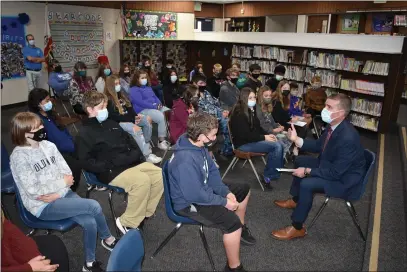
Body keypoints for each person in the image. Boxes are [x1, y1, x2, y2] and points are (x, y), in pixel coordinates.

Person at [9, 112, 117, 272]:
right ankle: (108, 238)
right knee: (94, 206)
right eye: (37, 127)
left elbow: (67, 174)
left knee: (90, 221)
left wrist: (59, 191)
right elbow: (34, 190)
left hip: (61, 195)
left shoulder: (48, 146)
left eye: (41, 125)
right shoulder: (19, 157)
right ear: (24, 133)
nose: (42, 128)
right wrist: (61, 185)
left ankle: (89, 263)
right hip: (42, 205)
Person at [168, 112, 255, 272]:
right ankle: (233, 267)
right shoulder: (185, 160)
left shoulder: (197, 146)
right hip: (190, 203)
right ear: (201, 136)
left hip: (202, 189)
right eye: (213, 135)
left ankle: (240, 230)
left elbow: (213, 174)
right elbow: (194, 195)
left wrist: (226, 192)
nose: (215, 138)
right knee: (232, 223)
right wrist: (223, 202)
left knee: (244, 189)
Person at [271, 93, 366, 240]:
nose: (324, 109)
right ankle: (297, 200)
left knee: (307, 184)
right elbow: (318, 145)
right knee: (301, 161)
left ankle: (297, 227)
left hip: (344, 180)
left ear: (340, 113)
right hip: (332, 166)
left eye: (329, 107)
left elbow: (335, 173)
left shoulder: (348, 137)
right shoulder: (334, 125)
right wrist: (296, 139)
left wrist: (308, 171)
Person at [76, 91, 164, 234]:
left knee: (159, 174)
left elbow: (130, 143)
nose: (105, 110)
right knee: (141, 181)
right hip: (110, 170)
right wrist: (110, 164)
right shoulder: (84, 133)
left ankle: (143, 214)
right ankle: (126, 222)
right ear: (89, 110)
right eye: (100, 107)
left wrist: (137, 156)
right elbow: (85, 162)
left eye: (105, 106)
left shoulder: (111, 123)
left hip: (128, 163)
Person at [28, 88, 82, 191]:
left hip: (68, 146)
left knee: (86, 149)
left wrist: (71, 142)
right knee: (75, 166)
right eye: (47, 101)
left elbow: (64, 130)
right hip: (56, 153)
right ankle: (69, 190)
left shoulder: (50, 114)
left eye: (50, 100)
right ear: (38, 103)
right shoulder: (36, 121)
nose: (50, 102)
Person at [230, 88, 284, 189]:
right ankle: (269, 175)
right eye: (250, 97)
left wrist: (267, 135)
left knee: (278, 143)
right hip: (242, 144)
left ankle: (272, 171)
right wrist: (264, 137)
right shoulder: (239, 113)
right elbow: (245, 135)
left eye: (254, 97)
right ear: (244, 98)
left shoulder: (250, 110)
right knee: (276, 146)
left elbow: (257, 128)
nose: (253, 99)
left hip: (251, 141)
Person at [104, 75, 162, 164]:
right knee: (136, 129)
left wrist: (136, 116)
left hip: (129, 119)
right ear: (111, 86)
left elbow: (130, 108)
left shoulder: (121, 95)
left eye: (119, 83)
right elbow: (115, 117)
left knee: (147, 120)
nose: (118, 85)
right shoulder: (108, 100)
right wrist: (132, 120)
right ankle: (146, 155)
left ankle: (145, 145)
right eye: (116, 84)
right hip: (119, 123)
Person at [1, 210, 69, 272]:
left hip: (12, 254)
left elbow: (9, 229)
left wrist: (38, 260)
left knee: (54, 244)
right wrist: (29, 268)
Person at [129, 69, 171, 150]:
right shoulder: (134, 89)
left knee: (169, 112)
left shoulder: (148, 87)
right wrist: (154, 106)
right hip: (142, 110)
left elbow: (155, 97)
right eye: (142, 78)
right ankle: (161, 141)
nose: (144, 79)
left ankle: (170, 136)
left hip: (153, 107)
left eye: (145, 77)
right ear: (137, 79)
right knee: (160, 116)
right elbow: (140, 102)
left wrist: (159, 104)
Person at [192, 74, 233, 157]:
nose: (203, 85)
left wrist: (223, 111)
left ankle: (228, 148)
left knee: (231, 120)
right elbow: (201, 110)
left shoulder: (206, 92)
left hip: (216, 116)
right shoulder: (194, 96)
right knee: (226, 123)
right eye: (201, 83)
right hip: (204, 119)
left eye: (204, 83)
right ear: (194, 84)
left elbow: (216, 103)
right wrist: (219, 113)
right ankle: (226, 149)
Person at [256, 86, 292, 156]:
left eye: (270, 95)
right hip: (264, 133)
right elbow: (261, 125)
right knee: (283, 140)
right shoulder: (258, 108)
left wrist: (278, 126)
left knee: (289, 137)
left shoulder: (267, 107)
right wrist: (273, 130)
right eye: (266, 96)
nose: (269, 97)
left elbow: (272, 121)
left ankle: (281, 157)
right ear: (261, 96)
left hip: (271, 131)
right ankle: (279, 158)